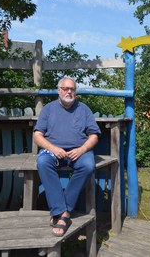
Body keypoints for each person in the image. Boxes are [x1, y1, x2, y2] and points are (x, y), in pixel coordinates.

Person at [33, 76, 101, 237]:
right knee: (42, 162)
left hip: (78, 150)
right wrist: (53, 148)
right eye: (65, 89)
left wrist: (82, 149)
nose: (69, 92)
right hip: (53, 150)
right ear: (59, 90)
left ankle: (62, 211)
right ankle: (62, 211)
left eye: (72, 89)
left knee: (88, 166)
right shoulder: (48, 109)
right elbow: (37, 135)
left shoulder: (84, 109)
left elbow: (94, 136)